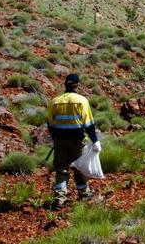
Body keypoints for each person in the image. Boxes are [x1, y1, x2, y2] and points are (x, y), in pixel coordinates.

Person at [46, 72, 100, 207]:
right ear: (77, 85)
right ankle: (83, 193)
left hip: (60, 141)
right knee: (79, 167)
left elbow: (50, 124)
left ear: (65, 84)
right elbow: (89, 124)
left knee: (61, 169)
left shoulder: (55, 102)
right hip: (77, 141)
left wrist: (56, 139)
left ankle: (60, 197)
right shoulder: (82, 101)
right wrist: (95, 140)